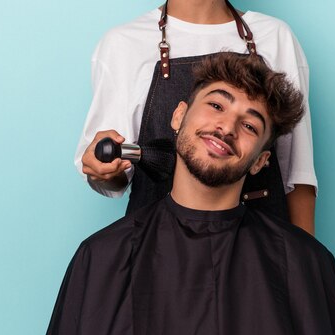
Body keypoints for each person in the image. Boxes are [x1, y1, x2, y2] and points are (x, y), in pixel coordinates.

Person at [24, 53, 335, 335]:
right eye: (216, 105)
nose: (226, 128)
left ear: (262, 160)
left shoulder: (305, 264)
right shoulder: (102, 258)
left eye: (249, 126)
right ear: (179, 115)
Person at [75, 0, 318, 235]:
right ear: (179, 113)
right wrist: (105, 171)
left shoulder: (275, 36)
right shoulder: (123, 44)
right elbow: (116, 178)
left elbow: (298, 176)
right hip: (155, 248)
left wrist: (305, 266)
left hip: (260, 252)